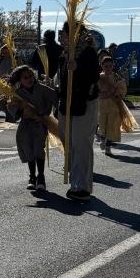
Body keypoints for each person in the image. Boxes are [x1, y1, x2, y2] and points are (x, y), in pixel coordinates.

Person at [57, 21, 99, 202]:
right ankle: (75, 180)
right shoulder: (65, 53)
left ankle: (82, 187)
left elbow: (93, 76)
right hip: (67, 104)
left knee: (81, 144)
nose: (62, 37)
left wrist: (77, 68)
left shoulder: (88, 52)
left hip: (84, 103)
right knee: (69, 142)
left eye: (65, 33)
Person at [8, 64, 56, 192]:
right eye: (25, 77)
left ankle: (41, 177)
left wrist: (44, 115)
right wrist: (19, 108)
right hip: (25, 125)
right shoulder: (17, 93)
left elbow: (54, 98)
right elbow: (12, 110)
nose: (29, 79)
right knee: (27, 149)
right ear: (20, 80)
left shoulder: (42, 89)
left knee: (38, 149)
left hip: (39, 123)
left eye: (30, 76)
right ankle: (32, 177)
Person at [97, 55, 137, 155]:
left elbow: (122, 89)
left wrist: (116, 92)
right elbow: (94, 89)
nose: (108, 68)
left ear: (113, 65)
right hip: (101, 105)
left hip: (114, 105)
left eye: (110, 66)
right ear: (102, 66)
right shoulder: (98, 77)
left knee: (113, 127)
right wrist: (100, 94)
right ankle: (102, 139)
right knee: (102, 125)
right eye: (106, 66)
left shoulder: (116, 76)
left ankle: (108, 146)